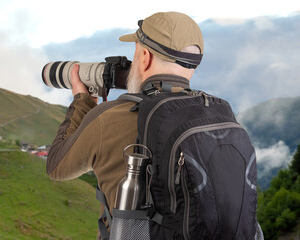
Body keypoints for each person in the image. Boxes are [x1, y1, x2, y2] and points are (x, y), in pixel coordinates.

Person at [46, 11, 204, 238]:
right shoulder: (212, 112)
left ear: (146, 56)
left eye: (136, 52)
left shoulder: (108, 118)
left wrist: (82, 102)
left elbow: (56, 167)